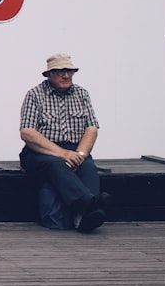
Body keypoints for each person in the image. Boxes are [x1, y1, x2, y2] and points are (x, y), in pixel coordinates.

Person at [19, 53, 105, 233]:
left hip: (75, 149)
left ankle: (88, 214)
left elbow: (92, 128)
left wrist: (80, 155)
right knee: (55, 165)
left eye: (69, 71)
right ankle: (90, 203)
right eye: (60, 72)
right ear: (49, 75)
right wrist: (62, 153)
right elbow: (27, 132)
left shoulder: (82, 94)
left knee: (88, 167)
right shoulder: (35, 95)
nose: (66, 76)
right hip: (41, 152)